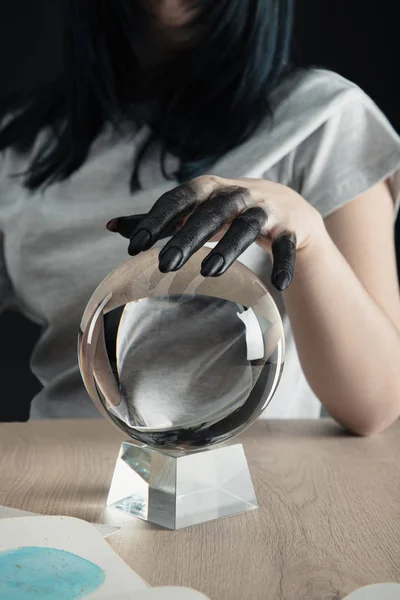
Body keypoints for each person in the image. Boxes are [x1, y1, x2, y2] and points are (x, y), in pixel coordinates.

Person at [1, 0, 400, 434]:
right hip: (45, 475)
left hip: (260, 486)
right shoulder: (21, 147)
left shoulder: (324, 118)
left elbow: (376, 406)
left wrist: (307, 238)